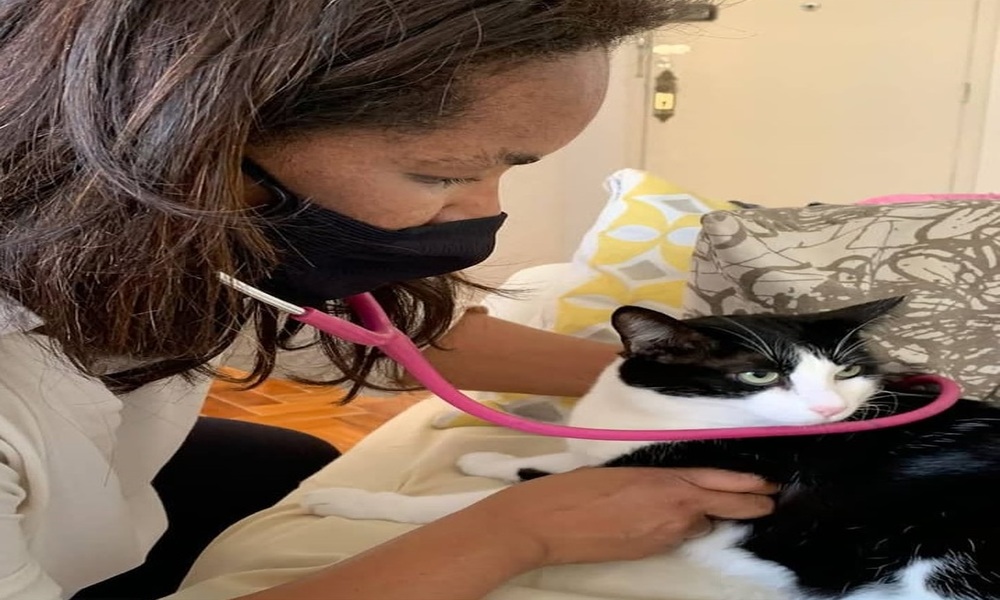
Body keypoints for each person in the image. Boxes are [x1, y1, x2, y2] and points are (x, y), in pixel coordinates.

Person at [0, 1, 777, 599]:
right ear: (189, 138)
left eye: (510, 169)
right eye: (441, 175)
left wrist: (691, 382)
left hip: (98, 486)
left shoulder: (179, 241)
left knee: (287, 465)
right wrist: (521, 534)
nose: (483, 212)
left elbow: (384, 340)